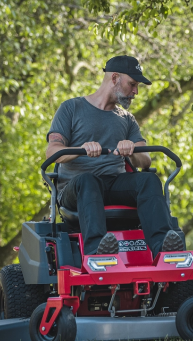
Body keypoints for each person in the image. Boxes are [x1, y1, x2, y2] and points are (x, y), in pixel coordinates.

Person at [45, 55, 184, 256]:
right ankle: (97, 250)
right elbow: (52, 152)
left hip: (114, 183)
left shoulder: (127, 119)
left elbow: (145, 161)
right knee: (88, 181)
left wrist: (133, 150)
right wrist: (80, 149)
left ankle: (163, 246)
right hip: (77, 188)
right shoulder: (71, 108)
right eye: (132, 84)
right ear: (115, 78)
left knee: (149, 180)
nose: (135, 92)